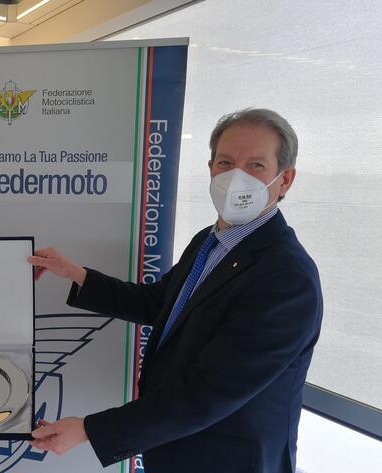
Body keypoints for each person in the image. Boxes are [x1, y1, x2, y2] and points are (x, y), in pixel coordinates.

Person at [28, 109, 323, 473]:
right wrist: (76, 274)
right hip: (174, 448)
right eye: (226, 163)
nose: (236, 177)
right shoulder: (211, 241)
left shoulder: (286, 278)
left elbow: (208, 394)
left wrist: (89, 430)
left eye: (256, 165)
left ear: (285, 179)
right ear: (210, 168)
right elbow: (160, 303)